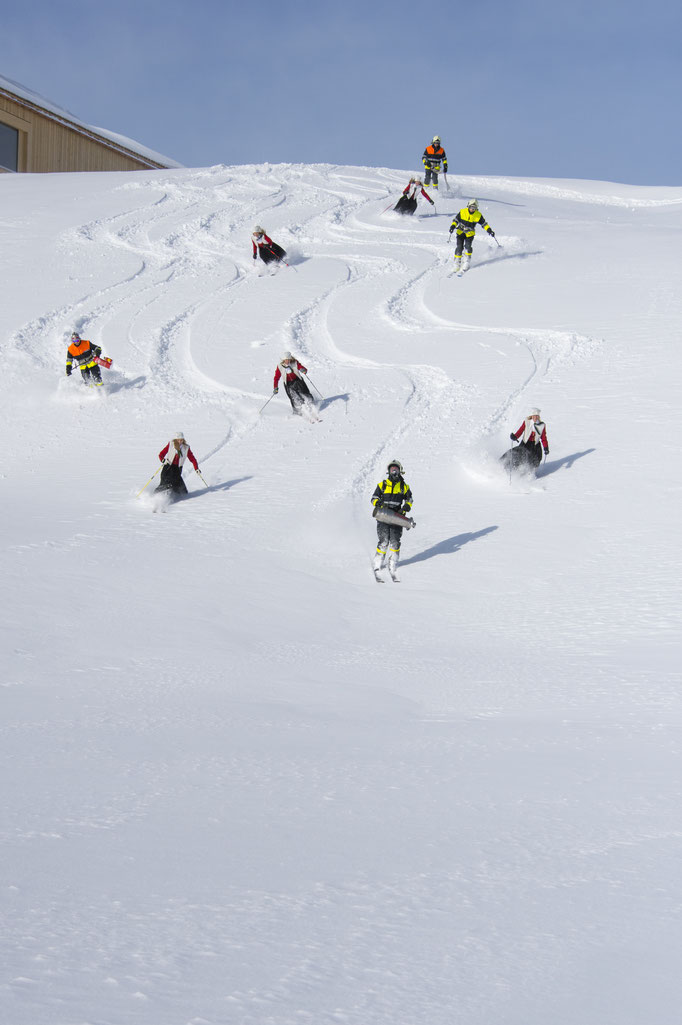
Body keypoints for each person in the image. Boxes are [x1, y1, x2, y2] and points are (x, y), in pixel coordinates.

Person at [371, 460, 413, 579]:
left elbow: (410, 499)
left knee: (395, 541)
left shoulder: (404, 487)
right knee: (384, 540)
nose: (394, 472)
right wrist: (379, 503)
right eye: (392, 469)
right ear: (388, 471)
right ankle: (378, 563)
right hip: (383, 516)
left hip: (397, 518)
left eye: (396, 470)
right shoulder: (382, 485)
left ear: (400, 471)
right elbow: (373, 498)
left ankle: (393, 563)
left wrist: (405, 507)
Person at [448, 199, 496, 272]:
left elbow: (484, 224)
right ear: (468, 206)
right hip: (460, 232)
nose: (472, 209)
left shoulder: (478, 215)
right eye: (471, 207)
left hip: (469, 234)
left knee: (468, 246)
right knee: (459, 247)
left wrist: (489, 230)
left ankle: (467, 261)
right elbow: (456, 220)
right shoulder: (462, 212)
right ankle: (457, 262)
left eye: (474, 208)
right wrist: (452, 226)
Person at [155, 431, 201, 497]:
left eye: (181, 440)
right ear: (175, 440)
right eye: (178, 440)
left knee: (183, 491)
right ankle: (154, 496)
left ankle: (178, 500)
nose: (180, 442)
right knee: (165, 485)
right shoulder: (171, 444)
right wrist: (163, 460)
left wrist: (196, 468)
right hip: (168, 468)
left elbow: (193, 459)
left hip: (177, 470)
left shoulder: (186, 448)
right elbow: (161, 454)